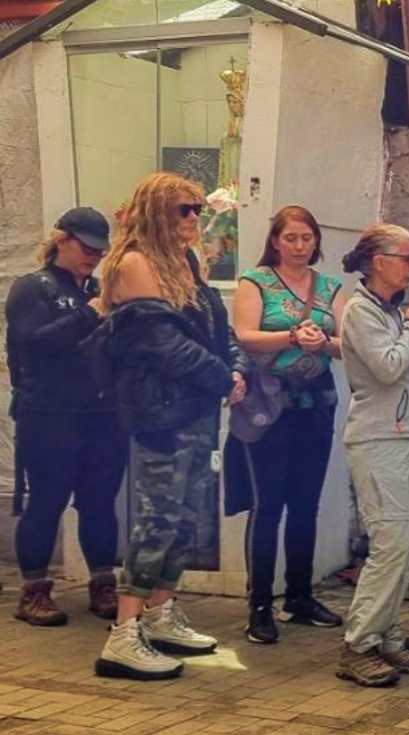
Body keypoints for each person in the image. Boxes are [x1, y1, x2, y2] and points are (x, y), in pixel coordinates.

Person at [89, 172, 249, 680]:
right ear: (157, 210)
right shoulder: (133, 264)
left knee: (187, 514)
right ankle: (124, 632)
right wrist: (224, 377)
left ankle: (160, 612)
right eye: (184, 209)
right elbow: (162, 344)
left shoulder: (184, 262)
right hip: (160, 409)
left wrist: (235, 368)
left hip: (197, 404)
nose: (194, 219)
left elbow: (214, 328)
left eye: (198, 209)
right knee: (156, 517)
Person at [227, 205, 348, 645]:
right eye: (291, 238)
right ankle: (259, 603)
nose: (300, 246)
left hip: (316, 402)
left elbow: (348, 343)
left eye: (307, 238)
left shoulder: (331, 287)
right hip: (270, 402)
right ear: (275, 241)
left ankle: (299, 595)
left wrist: (325, 341)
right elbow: (245, 334)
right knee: (268, 505)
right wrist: (294, 336)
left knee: (305, 503)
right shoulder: (254, 282)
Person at [6, 207, 127, 626]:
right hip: (49, 415)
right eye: (86, 248)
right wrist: (89, 314)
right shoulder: (32, 287)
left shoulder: (99, 287)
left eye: (100, 250)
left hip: (102, 414)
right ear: (62, 241)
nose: (92, 256)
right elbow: (32, 344)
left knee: (99, 504)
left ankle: (102, 583)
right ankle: (34, 591)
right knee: (46, 502)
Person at [335, 223, 409, 687]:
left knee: (405, 542)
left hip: (408, 434)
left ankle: (388, 637)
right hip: (380, 439)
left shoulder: (391, 311)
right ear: (379, 262)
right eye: (407, 258)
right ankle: (359, 644)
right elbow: (389, 367)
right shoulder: (361, 310)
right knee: (390, 543)